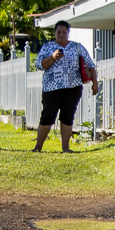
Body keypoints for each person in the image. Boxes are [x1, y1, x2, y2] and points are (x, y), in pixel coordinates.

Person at [33, 20, 97, 152]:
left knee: (67, 116)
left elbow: (90, 64)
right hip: (51, 88)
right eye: (58, 32)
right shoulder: (47, 47)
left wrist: (95, 83)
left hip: (72, 87)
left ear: (68, 33)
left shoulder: (77, 47)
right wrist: (53, 57)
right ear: (54, 33)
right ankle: (38, 147)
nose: (61, 35)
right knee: (48, 115)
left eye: (64, 32)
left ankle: (65, 147)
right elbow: (40, 65)